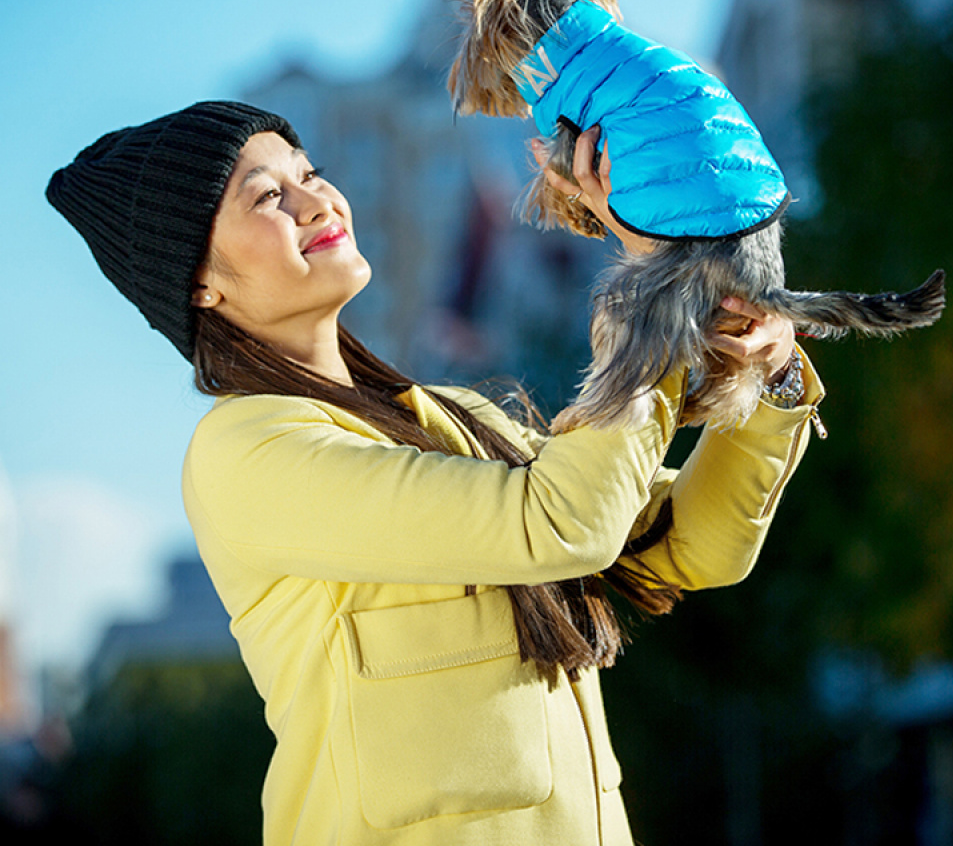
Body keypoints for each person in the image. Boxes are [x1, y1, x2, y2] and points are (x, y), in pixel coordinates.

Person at [47, 101, 824, 846]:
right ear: (198, 285)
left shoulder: (453, 419)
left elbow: (692, 547)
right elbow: (564, 522)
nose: (316, 202)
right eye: (268, 197)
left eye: (310, 172)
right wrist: (653, 293)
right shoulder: (246, 451)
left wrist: (773, 374)